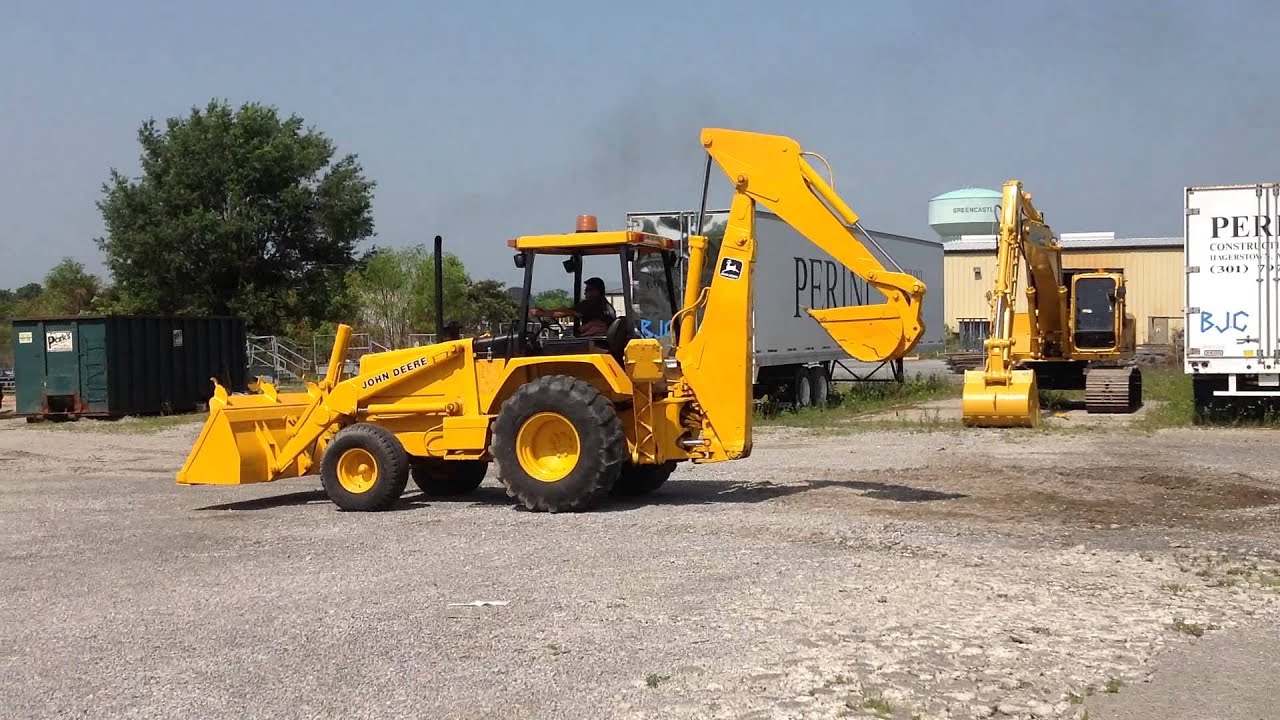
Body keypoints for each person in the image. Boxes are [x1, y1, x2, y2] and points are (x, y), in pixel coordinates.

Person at [530, 276, 616, 336]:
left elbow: (566, 312)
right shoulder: (604, 304)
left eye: (588, 290)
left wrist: (542, 313)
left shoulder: (592, 304)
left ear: (597, 291)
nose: (585, 293)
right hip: (597, 340)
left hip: (594, 342)